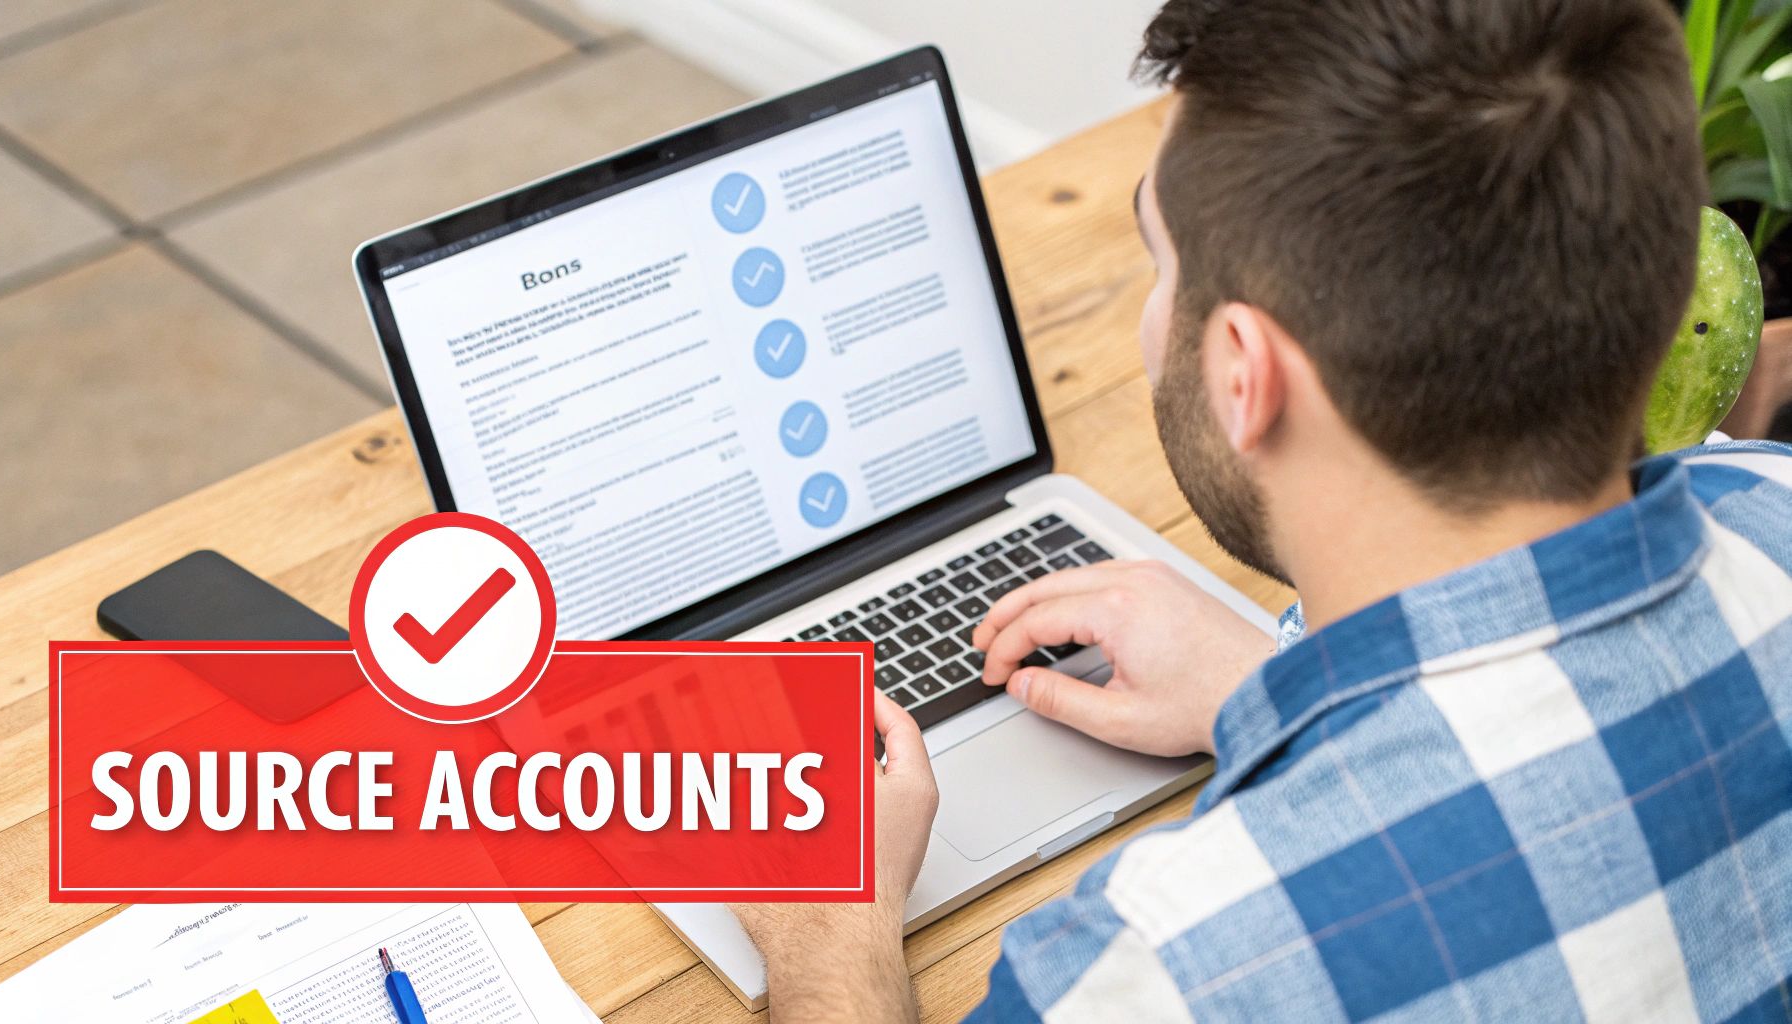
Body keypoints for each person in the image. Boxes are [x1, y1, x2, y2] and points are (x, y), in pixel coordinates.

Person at [733, 0, 1792, 1019]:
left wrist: (831, 942)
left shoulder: (1179, 961)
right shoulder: (1765, 499)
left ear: (1243, 374)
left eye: (1160, 264)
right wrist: (1261, 671)